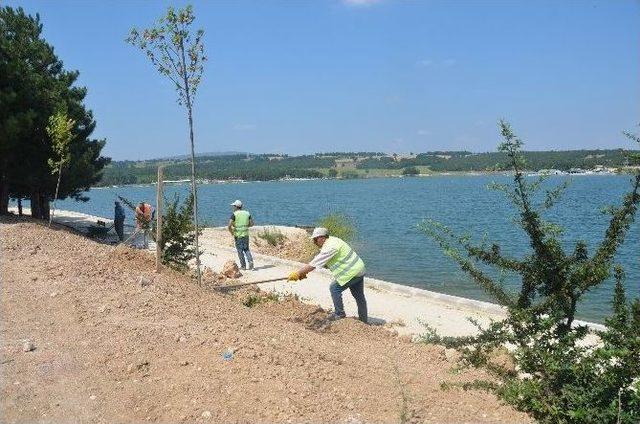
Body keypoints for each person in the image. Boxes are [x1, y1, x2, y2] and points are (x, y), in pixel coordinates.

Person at [288, 227, 368, 323]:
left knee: (334, 288)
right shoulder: (333, 240)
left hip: (352, 273)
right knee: (359, 297)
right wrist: (304, 272)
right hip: (360, 269)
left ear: (322, 238)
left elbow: (314, 264)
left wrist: (298, 273)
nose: (314, 242)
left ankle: (339, 314)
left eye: (315, 239)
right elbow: (319, 259)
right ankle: (364, 321)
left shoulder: (330, 247)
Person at [228, 199, 254, 270]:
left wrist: (232, 232)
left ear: (236, 207)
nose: (233, 207)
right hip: (246, 234)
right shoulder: (247, 213)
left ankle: (243, 266)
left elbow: (229, 225)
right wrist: (245, 226)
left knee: (240, 251)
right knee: (246, 249)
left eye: (234, 206)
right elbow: (252, 224)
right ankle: (250, 261)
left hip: (238, 235)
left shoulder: (234, 214)